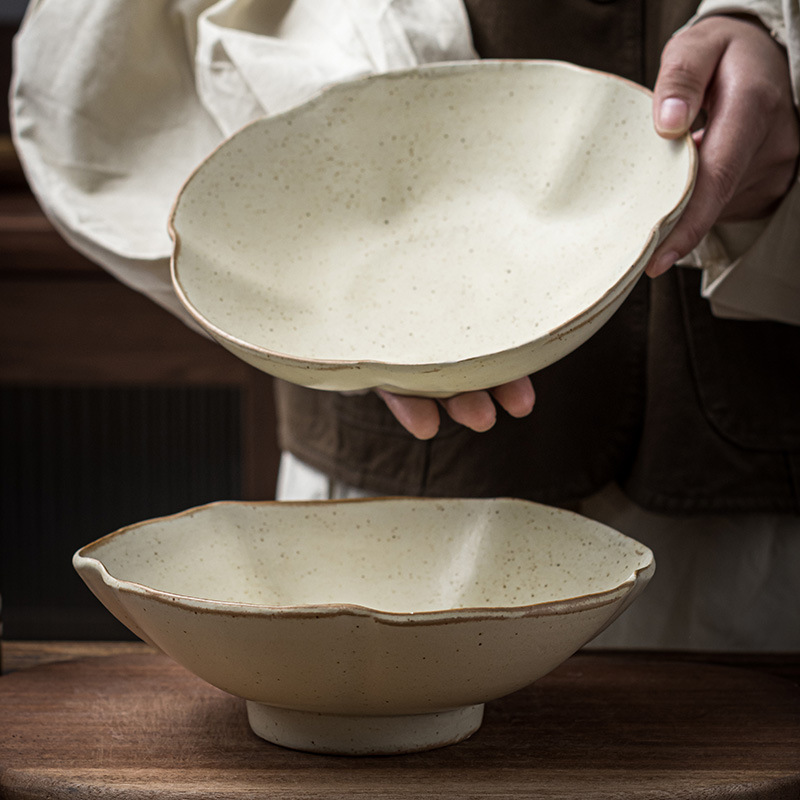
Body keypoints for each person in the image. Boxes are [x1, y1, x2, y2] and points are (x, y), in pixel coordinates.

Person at [11, 0, 800, 650]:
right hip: (393, 475)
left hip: (750, 472)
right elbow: (104, 46)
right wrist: (339, 154)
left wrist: (774, 33)